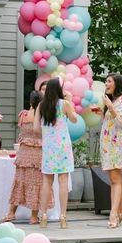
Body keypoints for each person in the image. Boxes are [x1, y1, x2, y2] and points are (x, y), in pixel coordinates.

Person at [4, 90, 52, 224]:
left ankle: (11, 213)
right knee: (37, 184)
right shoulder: (43, 116)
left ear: (30, 101)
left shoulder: (24, 115)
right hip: (38, 154)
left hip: (24, 153)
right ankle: (33, 216)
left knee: (20, 182)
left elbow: (22, 133)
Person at [36, 77, 78, 229]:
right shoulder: (64, 104)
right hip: (63, 147)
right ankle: (63, 217)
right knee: (63, 182)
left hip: (49, 147)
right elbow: (74, 119)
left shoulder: (41, 106)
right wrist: (70, 101)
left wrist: (47, 133)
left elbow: (36, 129)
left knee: (46, 182)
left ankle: (44, 216)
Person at [100, 72, 122, 228]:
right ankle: (121, 213)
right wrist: (102, 113)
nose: (106, 84)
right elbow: (111, 123)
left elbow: (121, 122)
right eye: (105, 81)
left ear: (117, 84)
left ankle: (114, 214)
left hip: (118, 145)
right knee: (116, 180)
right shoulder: (114, 102)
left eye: (109, 81)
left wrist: (109, 106)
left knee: (115, 181)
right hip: (110, 145)